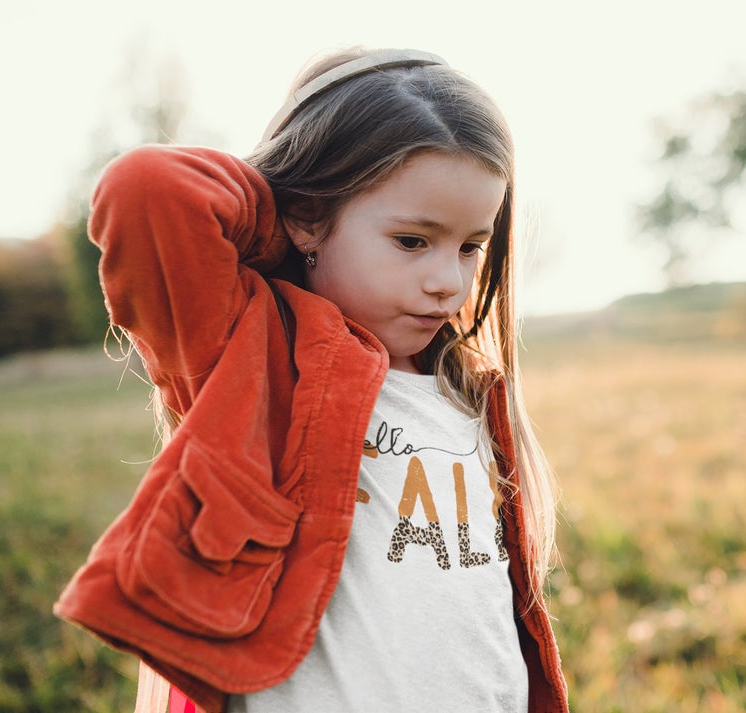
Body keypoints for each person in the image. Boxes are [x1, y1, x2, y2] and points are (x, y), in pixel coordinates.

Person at [54, 47, 567, 713]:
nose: (448, 280)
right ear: (306, 217)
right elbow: (148, 189)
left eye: (470, 246)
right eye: (413, 241)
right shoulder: (258, 355)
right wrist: (287, 224)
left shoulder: (467, 389)